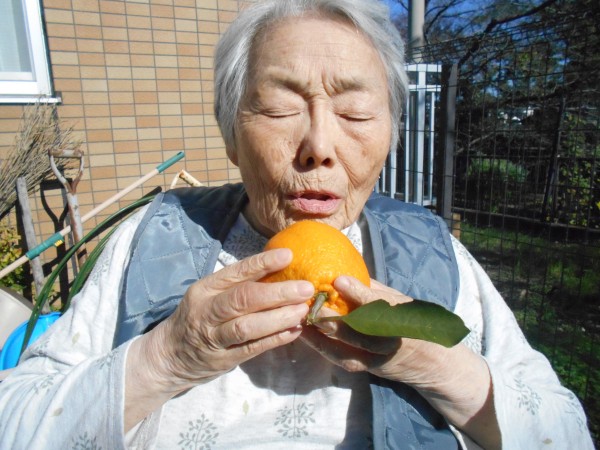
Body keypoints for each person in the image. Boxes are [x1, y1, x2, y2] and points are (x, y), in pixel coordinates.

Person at [0, 0, 594, 448]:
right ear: (231, 134)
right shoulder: (155, 236)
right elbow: (15, 422)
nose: (319, 147)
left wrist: (429, 361)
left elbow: (564, 432)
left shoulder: (432, 254)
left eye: (355, 111)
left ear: (389, 134)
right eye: (281, 106)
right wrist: (168, 357)